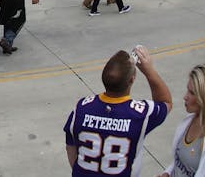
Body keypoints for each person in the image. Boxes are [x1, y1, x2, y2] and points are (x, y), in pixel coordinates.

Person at [64, 46, 171, 176]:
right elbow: (166, 102)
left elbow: (71, 147)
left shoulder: (80, 108)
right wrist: (149, 70)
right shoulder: (141, 115)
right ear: (132, 79)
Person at [159, 62, 205, 177]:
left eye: (192, 93)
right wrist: (167, 173)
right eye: (187, 90)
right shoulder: (192, 118)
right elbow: (181, 162)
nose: (185, 97)